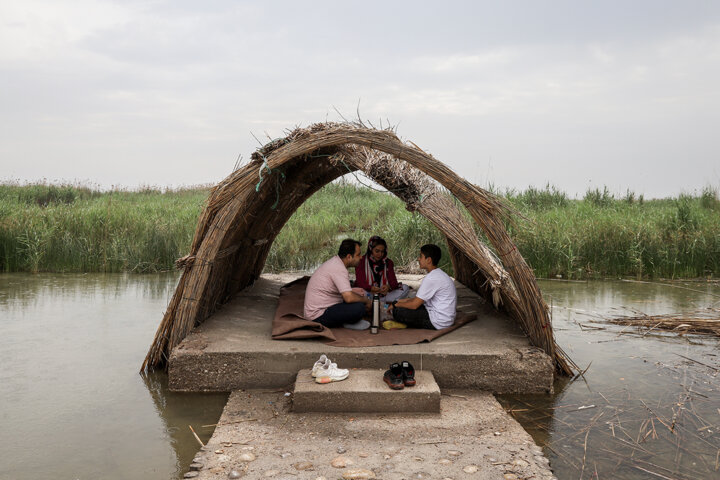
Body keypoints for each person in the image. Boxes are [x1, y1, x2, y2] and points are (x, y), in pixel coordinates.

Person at [304, 239, 372, 329]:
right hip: (317, 316)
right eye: (358, 255)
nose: (361, 257)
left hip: (323, 308)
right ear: (349, 257)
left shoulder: (336, 263)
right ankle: (348, 322)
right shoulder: (339, 269)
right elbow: (348, 297)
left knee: (358, 296)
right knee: (359, 308)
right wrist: (366, 300)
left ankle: (347, 319)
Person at [388, 244, 456, 330]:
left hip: (438, 321)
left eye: (421, 256)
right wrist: (399, 301)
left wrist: (396, 305)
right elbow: (418, 300)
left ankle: (405, 321)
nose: (418, 259)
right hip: (446, 319)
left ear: (428, 260)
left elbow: (414, 305)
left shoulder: (431, 278)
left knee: (398, 311)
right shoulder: (439, 274)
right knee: (403, 305)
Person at [355, 236, 410, 304]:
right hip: (368, 293)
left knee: (405, 288)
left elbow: (394, 283)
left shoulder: (388, 262)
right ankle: (381, 303)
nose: (380, 254)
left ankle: (376, 303)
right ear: (370, 249)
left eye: (382, 252)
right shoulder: (361, 261)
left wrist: (388, 287)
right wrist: (371, 288)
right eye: (377, 251)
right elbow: (360, 283)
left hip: (383, 295)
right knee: (357, 292)